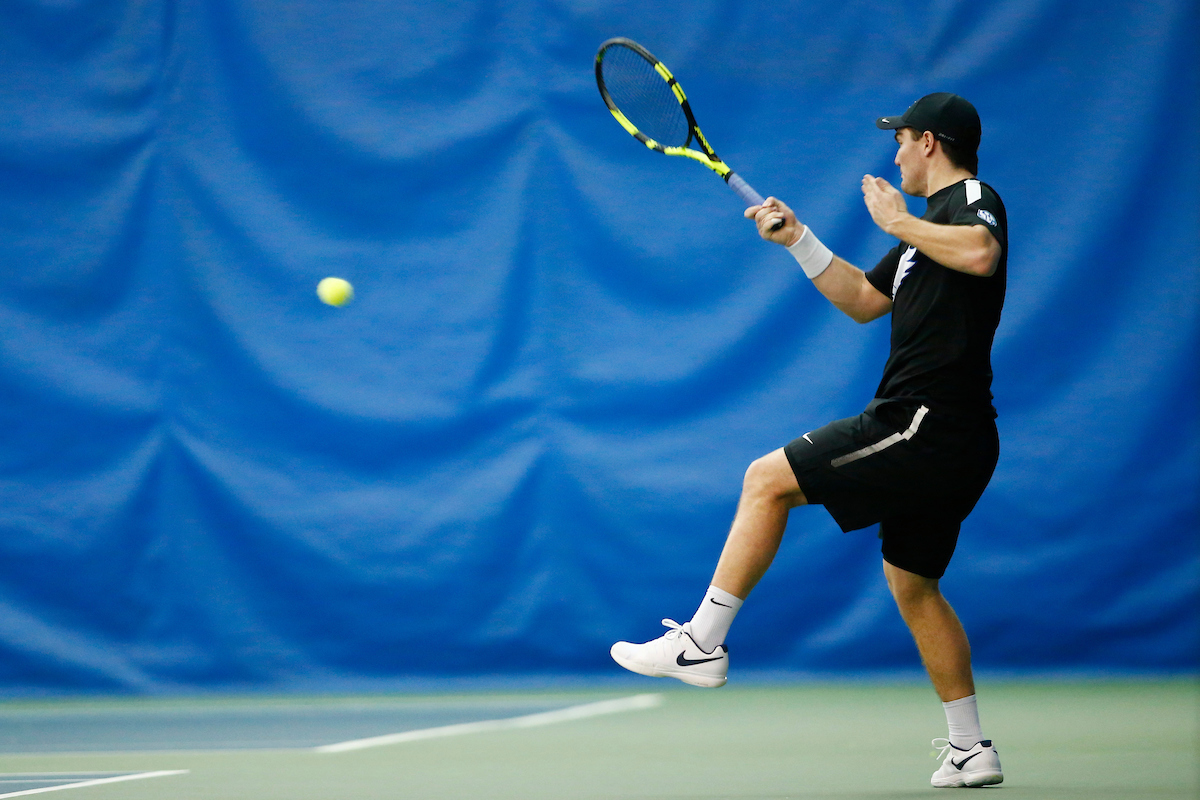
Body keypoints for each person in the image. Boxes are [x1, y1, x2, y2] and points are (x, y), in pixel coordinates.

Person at [610, 92, 1008, 789]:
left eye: (901, 140)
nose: (893, 154)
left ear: (930, 144)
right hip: (954, 431)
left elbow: (981, 254)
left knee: (766, 480)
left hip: (926, 420)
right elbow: (862, 299)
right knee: (913, 587)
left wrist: (900, 220)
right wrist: (799, 239)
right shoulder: (923, 236)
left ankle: (701, 644)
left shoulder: (969, 201)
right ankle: (971, 749)